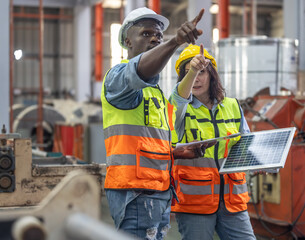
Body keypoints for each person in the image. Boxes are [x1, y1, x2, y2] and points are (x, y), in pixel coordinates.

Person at [101, 7, 208, 240]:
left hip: (158, 192)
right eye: (146, 34)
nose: (155, 39)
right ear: (128, 42)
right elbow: (138, 70)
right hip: (135, 193)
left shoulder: (155, 94)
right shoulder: (117, 79)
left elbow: (149, 144)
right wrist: (174, 42)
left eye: (159, 36)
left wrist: (177, 153)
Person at [169, 44, 256, 240]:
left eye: (201, 72)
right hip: (195, 202)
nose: (196, 78)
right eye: (189, 74)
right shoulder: (179, 108)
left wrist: (258, 162)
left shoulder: (232, 106)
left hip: (232, 200)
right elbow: (179, 97)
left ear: (212, 75)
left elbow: (245, 145)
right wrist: (193, 69)